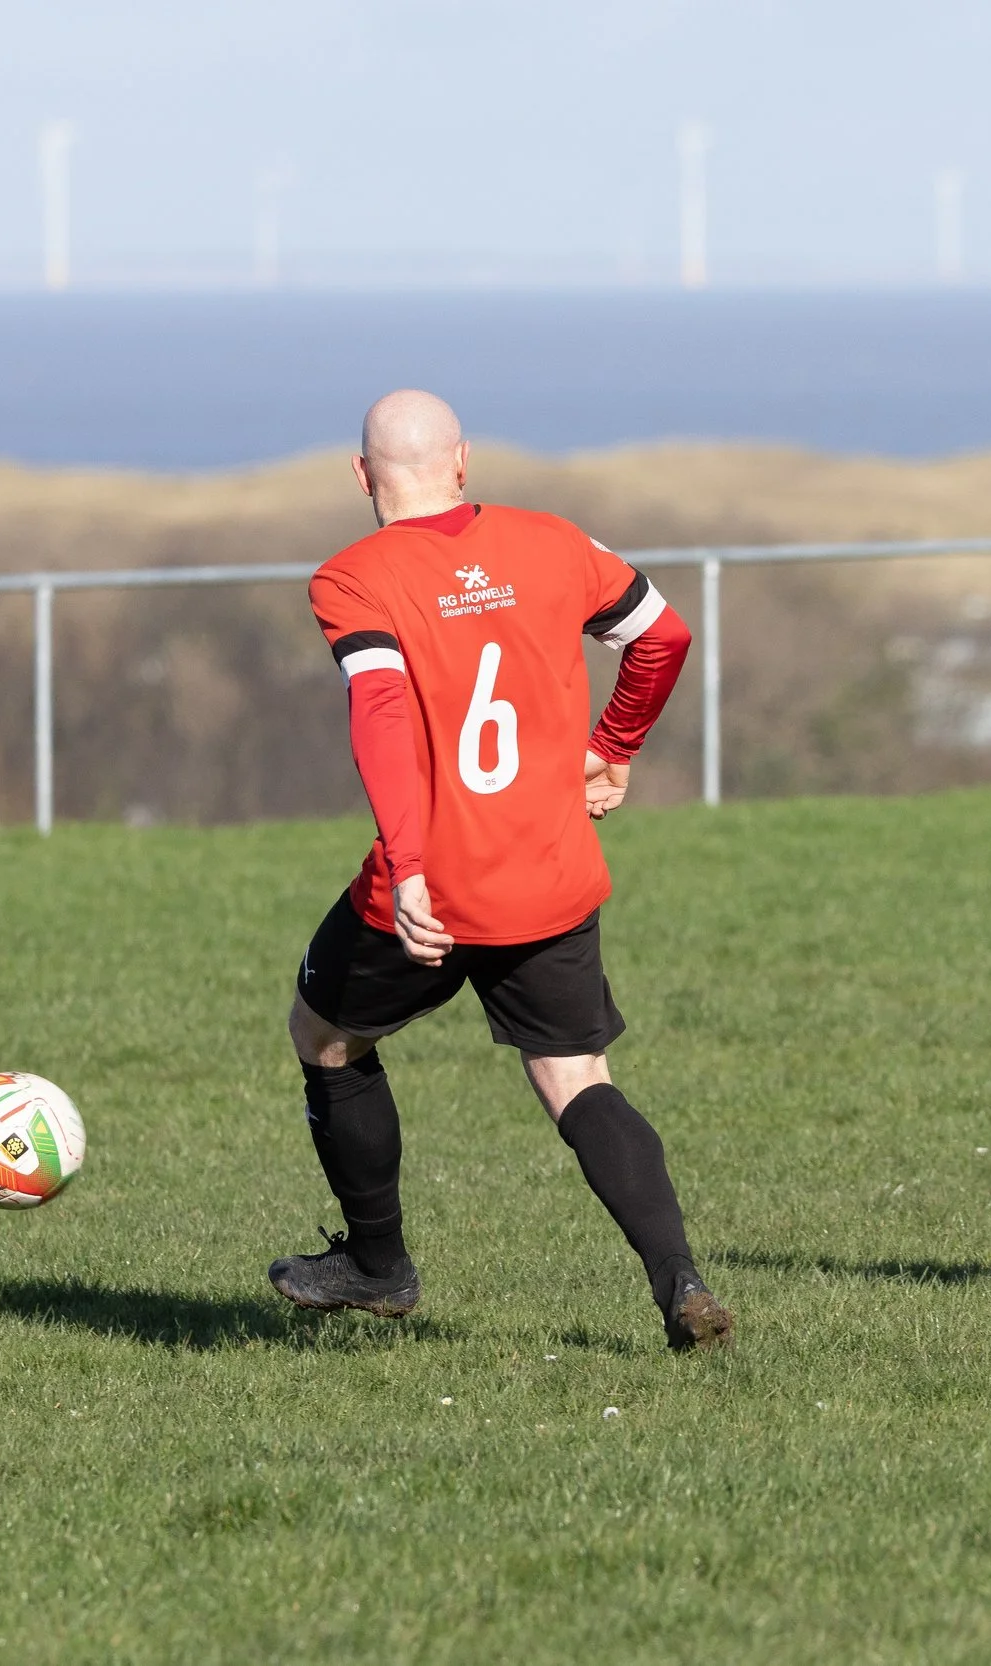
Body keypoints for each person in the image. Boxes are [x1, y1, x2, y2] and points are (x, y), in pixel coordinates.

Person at [267, 389, 733, 1351]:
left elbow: (383, 718)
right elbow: (663, 635)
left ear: (362, 477)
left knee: (324, 1036)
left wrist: (404, 871)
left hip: (434, 889)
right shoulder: (554, 542)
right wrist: (616, 744)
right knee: (576, 1076)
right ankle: (680, 1282)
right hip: (551, 876)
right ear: (464, 461)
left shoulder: (351, 579)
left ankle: (379, 1266)